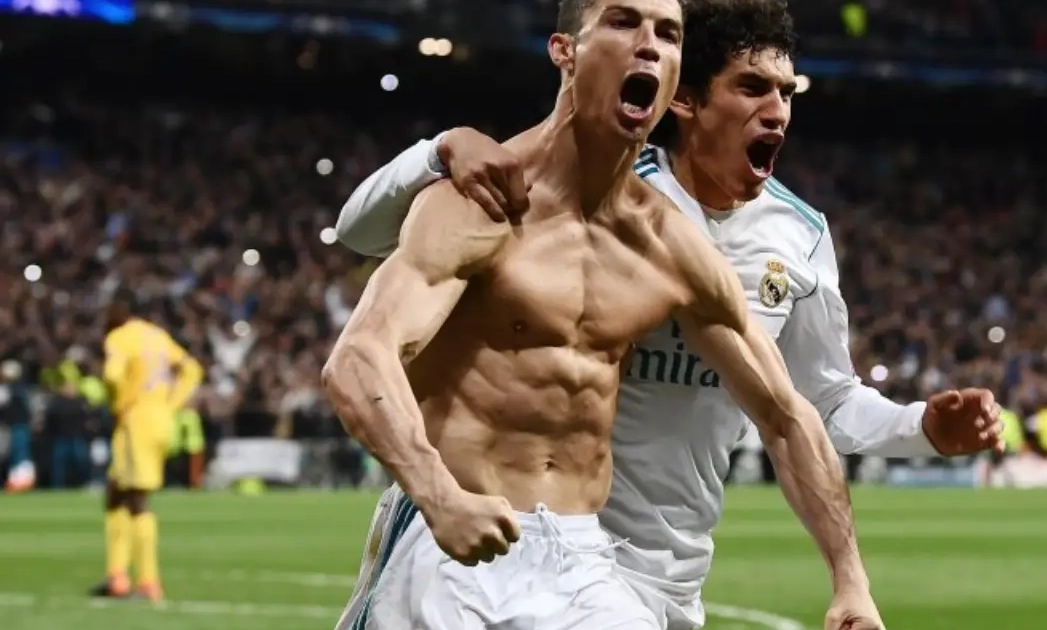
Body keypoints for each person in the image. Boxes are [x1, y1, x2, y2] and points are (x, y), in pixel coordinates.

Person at [334, 1, 1003, 628]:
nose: (649, 45)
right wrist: (437, 492)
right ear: (565, 51)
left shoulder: (676, 247)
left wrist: (852, 579)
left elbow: (792, 412)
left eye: (668, 33)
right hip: (453, 535)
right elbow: (359, 352)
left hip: (587, 556)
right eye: (624, 22)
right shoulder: (489, 198)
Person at [90, 288, 204, 601]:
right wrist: (171, 404)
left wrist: (119, 403)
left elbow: (113, 376)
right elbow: (192, 370)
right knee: (116, 494)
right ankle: (116, 576)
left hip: (135, 421)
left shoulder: (120, 337)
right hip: (159, 420)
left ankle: (148, 582)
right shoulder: (158, 336)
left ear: (120, 310)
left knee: (137, 499)